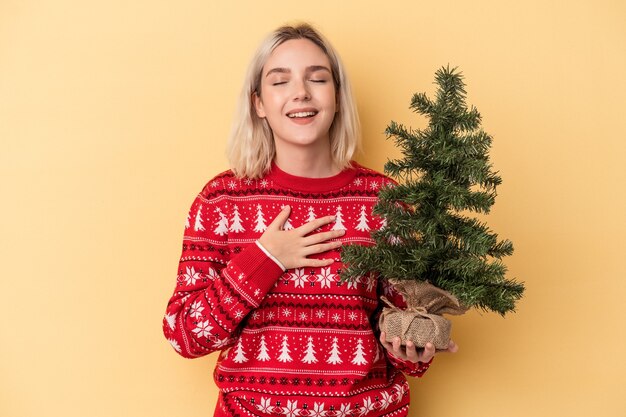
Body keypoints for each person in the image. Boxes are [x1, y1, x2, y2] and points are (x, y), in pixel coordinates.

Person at [162, 23, 457, 417]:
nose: (301, 91)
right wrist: (265, 258)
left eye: (317, 78)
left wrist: (412, 349)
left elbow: (408, 342)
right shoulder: (222, 201)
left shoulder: (383, 200)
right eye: (280, 81)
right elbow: (184, 335)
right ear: (259, 103)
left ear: (336, 97)